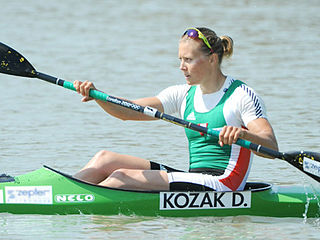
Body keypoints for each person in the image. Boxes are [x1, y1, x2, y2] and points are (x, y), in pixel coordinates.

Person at [73, 27, 278, 192]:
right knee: (105, 159)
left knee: (121, 177)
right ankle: (63, 193)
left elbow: (271, 146)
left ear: (212, 59)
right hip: (195, 178)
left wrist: (242, 133)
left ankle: (76, 207)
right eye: (180, 59)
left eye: (188, 60)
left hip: (224, 183)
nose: (181, 66)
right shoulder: (183, 94)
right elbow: (130, 111)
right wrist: (97, 95)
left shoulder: (241, 95)